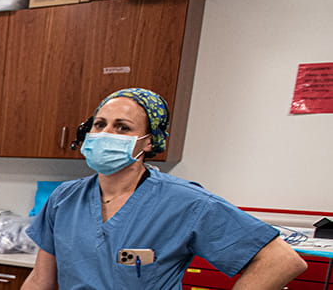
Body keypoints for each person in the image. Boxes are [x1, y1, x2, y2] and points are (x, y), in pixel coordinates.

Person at [21, 88, 307, 289]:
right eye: (99, 124)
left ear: (148, 142)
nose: (106, 134)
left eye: (122, 128)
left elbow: (281, 260)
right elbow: (40, 280)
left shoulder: (185, 202)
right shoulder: (64, 199)